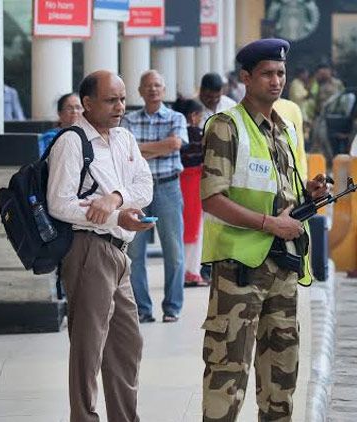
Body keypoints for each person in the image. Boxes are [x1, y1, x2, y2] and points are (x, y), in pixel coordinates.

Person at [199, 38, 328, 421]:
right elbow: (212, 198)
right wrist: (270, 223)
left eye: (281, 74)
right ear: (245, 78)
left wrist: (309, 192)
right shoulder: (226, 127)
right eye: (267, 74)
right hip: (239, 270)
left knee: (281, 376)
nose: (276, 81)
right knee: (228, 372)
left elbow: (279, 190)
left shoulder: (284, 128)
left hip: (282, 268)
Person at [47, 70, 154, 422]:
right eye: (111, 100)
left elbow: (144, 187)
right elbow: (59, 204)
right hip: (88, 250)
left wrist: (115, 198)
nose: (119, 106)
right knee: (88, 349)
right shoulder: (72, 142)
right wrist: (113, 216)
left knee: (127, 344)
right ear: (87, 104)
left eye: (122, 99)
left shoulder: (123, 138)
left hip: (121, 254)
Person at [121, 69, 188, 323]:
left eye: (157, 85)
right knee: (135, 253)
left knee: (174, 252)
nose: (153, 89)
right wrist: (161, 147)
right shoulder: (128, 120)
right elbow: (126, 153)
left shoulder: (176, 117)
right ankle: (143, 310)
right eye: (148, 85)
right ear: (139, 91)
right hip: (136, 191)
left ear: (164, 89)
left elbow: (176, 144)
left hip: (168, 188)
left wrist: (140, 151)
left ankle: (172, 308)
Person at [173, 96, 209, 288]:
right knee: (196, 227)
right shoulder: (198, 134)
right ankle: (192, 272)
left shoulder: (177, 133)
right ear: (194, 116)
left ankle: (184, 271)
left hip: (180, 180)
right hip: (195, 181)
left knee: (183, 226)